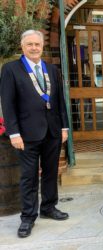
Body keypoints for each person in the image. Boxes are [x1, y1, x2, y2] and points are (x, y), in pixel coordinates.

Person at [0, 30, 69, 238]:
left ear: (42, 46)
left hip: (52, 131)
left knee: (50, 172)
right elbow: (8, 104)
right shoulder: (11, 69)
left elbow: (59, 101)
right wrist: (13, 133)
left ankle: (48, 207)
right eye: (29, 44)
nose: (34, 48)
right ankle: (28, 217)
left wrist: (64, 127)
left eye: (37, 44)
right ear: (22, 46)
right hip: (26, 134)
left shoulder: (51, 68)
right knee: (29, 177)